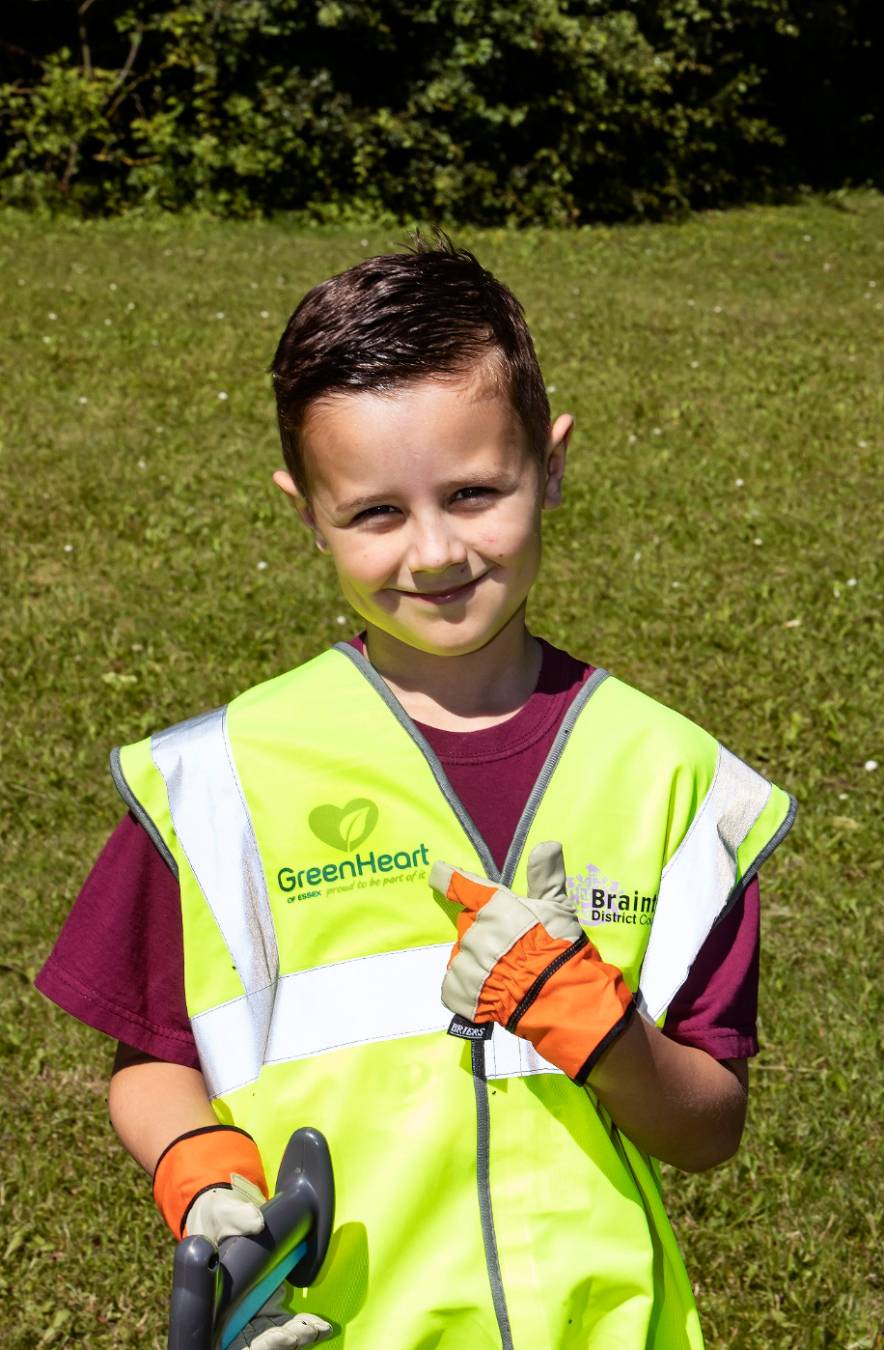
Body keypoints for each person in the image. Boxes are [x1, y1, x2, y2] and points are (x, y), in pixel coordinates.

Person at [37, 235, 795, 1349]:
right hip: (330, 1324)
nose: (434, 551)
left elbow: (707, 1127)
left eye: (474, 492)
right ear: (305, 513)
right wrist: (199, 1177)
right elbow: (153, 1058)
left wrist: (606, 1036)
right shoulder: (221, 776)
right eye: (375, 514)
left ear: (552, 460)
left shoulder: (674, 778)